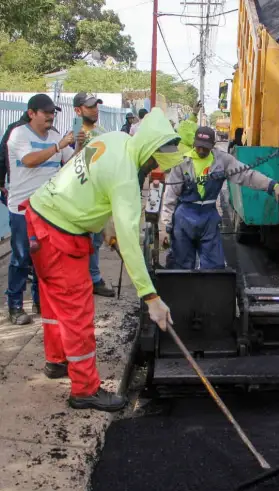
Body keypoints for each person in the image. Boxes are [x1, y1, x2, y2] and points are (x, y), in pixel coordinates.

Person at [23, 108, 178, 412]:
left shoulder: (117, 139)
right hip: (61, 236)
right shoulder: (126, 181)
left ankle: (56, 362)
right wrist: (151, 298)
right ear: (147, 151)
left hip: (40, 214)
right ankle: (85, 390)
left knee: (53, 302)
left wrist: (107, 228)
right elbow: (132, 246)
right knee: (78, 314)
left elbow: (95, 184)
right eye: (154, 162)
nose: (153, 168)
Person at [160, 126, 279, 270]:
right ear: (194, 143)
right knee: (180, 265)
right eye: (199, 147)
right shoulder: (182, 163)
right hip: (184, 219)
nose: (201, 151)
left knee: (214, 267)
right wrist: (165, 226)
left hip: (209, 218)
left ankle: (212, 291)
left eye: (206, 148)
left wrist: (272, 186)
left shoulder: (223, 161)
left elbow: (246, 175)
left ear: (213, 146)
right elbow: (170, 196)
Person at [6, 94, 82, 325]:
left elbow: (72, 163)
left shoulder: (56, 136)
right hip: (23, 209)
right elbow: (29, 160)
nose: (51, 116)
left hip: (48, 209)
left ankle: (41, 302)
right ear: (32, 113)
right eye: (46, 112)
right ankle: (16, 306)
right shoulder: (19, 134)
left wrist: (79, 145)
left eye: (53, 112)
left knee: (46, 259)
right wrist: (58, 146)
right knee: (21, 257)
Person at [72, 92, 115, 298]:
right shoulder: (75, 134)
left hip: (100, 193)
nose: (95, 110)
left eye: (96, 106)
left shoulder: (101, 131)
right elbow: (72, 165)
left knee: (96, 240)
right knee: (84, 241)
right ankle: (89, 280)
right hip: (84, 195)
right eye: (90, 107)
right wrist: (78, 145)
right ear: (78, 110)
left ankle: (93, 278)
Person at [0, 112, 30, 206]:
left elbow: (2, 156)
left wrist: (1, 183)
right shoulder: (50, 131)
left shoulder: (13, 128)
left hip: (16, 183)